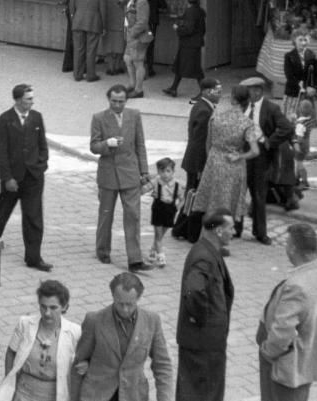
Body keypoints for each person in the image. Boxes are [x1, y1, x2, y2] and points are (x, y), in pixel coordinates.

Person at [256, 223, 317, 401]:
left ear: (293, 248)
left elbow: (282, 333)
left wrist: (267, 352)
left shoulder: (296, 286)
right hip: (305, 361)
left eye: (287, 243)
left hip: (286, 367)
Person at [71, 272, 174, 401]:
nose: (125, 309)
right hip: (98, 394)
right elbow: (78, 363)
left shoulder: (152, 321)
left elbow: (162, 365)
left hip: (133, 395)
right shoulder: (94, 320)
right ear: (113, 296)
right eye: (120, 303)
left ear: (138, 298)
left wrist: (165, 398)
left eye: (130, 304)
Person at [90, 85, 154, 273]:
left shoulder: (134, 115)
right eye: (114, 101)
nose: (117, 105)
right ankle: (102, 250)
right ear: (108, 100)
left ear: (126, 101)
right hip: (108, 174)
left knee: (133, 215)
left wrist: (144, 171)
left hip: (130, 173)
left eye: (121, 101)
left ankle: (135, 259)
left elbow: (140, 145)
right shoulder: (98, 118)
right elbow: (93, 146)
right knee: (106, 215)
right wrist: (106, 144)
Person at [0, 83, 53, 273]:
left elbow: (42, 145)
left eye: (32, 99)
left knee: (34, 217)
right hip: (12, 178)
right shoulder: (5, 119)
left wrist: (41, 165)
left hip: (33, 176)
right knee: (2, 212)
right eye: (28, 99)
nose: (32, 102)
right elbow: (0, 151)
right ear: (18, 100)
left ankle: (34, 257)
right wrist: (7, 177)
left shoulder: (36, 118)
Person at [176, 209, 235, 401]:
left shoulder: (207, 250)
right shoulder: (203, 257)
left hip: (204, 341)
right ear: (218, 231)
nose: (233, 232)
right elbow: (193, 291)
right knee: (202, 393)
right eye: (231, 228)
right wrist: (203, 319)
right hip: (203, 343)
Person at [191, 84, 260, 236]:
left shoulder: (216, 117)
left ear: (232, 99)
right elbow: (255, 151)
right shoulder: (246, 123)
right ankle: (223, 238)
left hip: (214, 162)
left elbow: (208, 144)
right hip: (234, 166)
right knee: (228, 205)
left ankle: (206, 235)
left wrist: (213, 158)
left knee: (211, 203)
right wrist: (240, 155)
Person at [0, 280, 81, 401]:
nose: (47, 313)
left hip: (54, 394)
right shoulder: (25, 324)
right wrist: (9, 382)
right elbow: (11, 352)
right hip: (23, 392)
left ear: (64, 307)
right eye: (43, 306)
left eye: (53, 308)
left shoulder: (75, 332)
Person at [242, 76, 298, 233]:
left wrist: (270, 141)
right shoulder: (243, 106)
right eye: (250, 90)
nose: (252, 93)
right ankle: (236, 228)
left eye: (255, 90)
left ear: (260, 90)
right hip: (244, 151)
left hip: (261, 154)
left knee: (259, 194)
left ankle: (260, 232)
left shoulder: (271, 108)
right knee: (240, 191)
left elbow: (287, 128)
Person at [173, 77, 220, 242]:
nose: (220, 95)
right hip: (197, 162)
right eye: (217, 91)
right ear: (207, 91)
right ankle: (187, 230)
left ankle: (182, 229)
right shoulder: (205, 111)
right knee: (195, 197)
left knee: (191, 196)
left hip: (193, 160)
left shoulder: (201, 105)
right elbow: (200, 141)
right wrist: (202, 166)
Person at [69, 0, 107, 83]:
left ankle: (77, 74)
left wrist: (73, 21)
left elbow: (71, 7)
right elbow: (103, 10)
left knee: (78, 49)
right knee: (91, 50)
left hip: (78, 21)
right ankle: (90, 75)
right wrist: (104, 26)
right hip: (93, 22)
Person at [163, 0, 205, 98]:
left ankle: (204, 92)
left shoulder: (191, 12)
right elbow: (200, 28)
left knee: (195, 69)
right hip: (193, 43)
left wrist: (178, 28)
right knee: (180, 66)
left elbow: (189, 29)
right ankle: (173, 88)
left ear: (187, 0)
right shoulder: (199, 11)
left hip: (189, 44)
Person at [119, 0, 151, 98]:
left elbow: (142, 22)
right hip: (131, 36)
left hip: (138, 36)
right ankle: (132, 84)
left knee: (138, 62)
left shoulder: (141, 1)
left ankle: (139, 90)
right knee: (127, 58)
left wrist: (132, 33)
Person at [146, 157, 178, 268]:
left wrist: (178, 206)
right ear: (158, 172)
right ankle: (161, 257)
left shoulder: (177, 184)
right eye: (162, 171)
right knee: (159, 235)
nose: (165, 174)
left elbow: (182, 197)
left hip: (170, 211)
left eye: (168, 171)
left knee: (161, 234)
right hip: (158, 210)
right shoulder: (155, 181)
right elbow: (145, 189)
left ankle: (152, 250)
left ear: (173, 171)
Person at [282, 32, 317, 118]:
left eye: (305, 40)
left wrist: (314, 87)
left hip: (308, 96)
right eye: (300, 40)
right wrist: (304, 87)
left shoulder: (312, 56)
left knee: (306, 123)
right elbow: (289, 76)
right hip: (294, 94)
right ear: (294, 41)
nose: (303, 42)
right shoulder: (289, 56)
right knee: (292, 122)